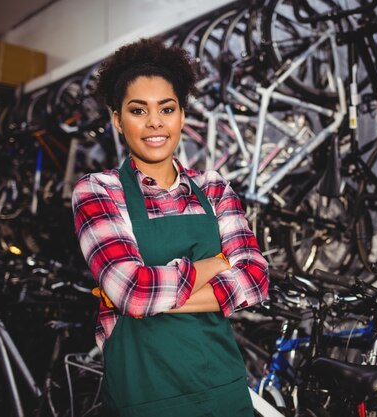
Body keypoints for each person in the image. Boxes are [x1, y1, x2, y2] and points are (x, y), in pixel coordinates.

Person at [71, 37, 269, 417]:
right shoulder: (98, 191)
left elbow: (256, 279)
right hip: (144, 395)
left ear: (181, 115)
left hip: (222, 386)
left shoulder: (212, 187)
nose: (154, 123)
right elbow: (134, 293)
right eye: (137, 110)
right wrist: (214, 265)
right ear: (117, 118)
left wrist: (149, 297)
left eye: (166, 108)